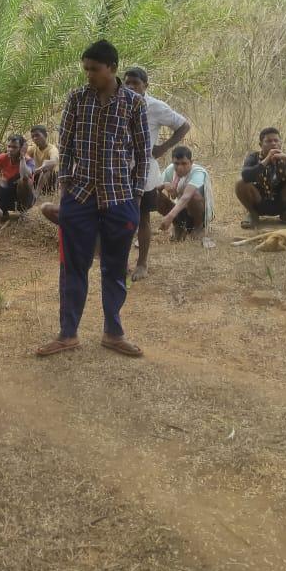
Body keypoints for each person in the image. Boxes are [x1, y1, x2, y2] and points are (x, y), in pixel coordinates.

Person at [36, 40, 148, 360]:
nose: (88, 75)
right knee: (73, 267)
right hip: (79, 196)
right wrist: (65, 187)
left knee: (114, 268)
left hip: (119, 197)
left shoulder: (134, 104)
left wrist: (136, 196)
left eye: (94, 70)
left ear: (112, 68)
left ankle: (113, 333)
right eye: (85, 69)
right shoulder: (75, 99)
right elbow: (66, 144)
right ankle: (67, 334)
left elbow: (142, 155)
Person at [122, 67, 191, 280]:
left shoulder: (155, 107)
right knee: (121, 218)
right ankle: (122, 263)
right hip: (120, 169)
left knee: (142, 217)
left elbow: (183, 125)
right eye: (128, 83)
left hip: (145, 170)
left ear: (146, 86)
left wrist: (162, 148)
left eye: (136, 83)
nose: (131, 87)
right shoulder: (117, 103)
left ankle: (142, 263)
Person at [236, 128, 286, 229]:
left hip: (282, 201)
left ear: (281, 143)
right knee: (240, 183)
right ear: (260, 144)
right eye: (268, 141)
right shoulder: (253, 157)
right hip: (259, 201)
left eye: (276, 140)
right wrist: (266, 161)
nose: (273, 144)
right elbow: (245, 175)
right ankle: (253, 214)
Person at [156, 146, 215, 246]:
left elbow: (186, 197)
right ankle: (178, 225)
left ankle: (198, 227)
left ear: (191, 162)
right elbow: (153, 189)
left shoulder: (198, 172)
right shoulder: (170, 169)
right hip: (180, 211)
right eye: (176, 164)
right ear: (172, 162)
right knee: (154, 195)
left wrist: (169, 216)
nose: (179, 167)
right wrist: (163, 185)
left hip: (198, 213)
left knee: (193, 196)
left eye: (184, 163)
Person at [0, 134, 35, 219]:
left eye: (14, 147)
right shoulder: (3, 157)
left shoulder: (28, 161)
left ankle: (23, 211)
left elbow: (24, 176)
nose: (10, 150)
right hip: (6, 193)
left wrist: (22, 157)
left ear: (21, 148)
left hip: (22, 198)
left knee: (23, 181)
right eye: (9, 146)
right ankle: (2, 212)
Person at [26, 126, 59, 196]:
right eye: (33, 136)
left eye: (37, 135)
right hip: (37, 177)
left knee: (47, 167)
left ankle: (37, 193)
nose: (35, 138)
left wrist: (36, 170)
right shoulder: (33, 148)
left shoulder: (52, 149)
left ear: (45, 135)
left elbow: (54, 161)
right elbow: (24, 155)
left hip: (50, 179)